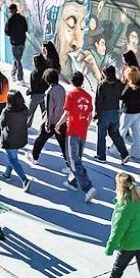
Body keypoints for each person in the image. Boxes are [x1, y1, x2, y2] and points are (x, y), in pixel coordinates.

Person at [57, 71, 97, 203]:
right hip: (83, 132)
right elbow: (90, 115)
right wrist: (85, 125)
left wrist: (58, 124)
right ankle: (72, 182)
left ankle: (88, 187)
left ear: (72, 82)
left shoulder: (72, 94)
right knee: (77, 158)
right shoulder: (88, 96)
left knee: (73, 161)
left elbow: (67, 114)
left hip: (73, 131)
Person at [30, 68, 69, 162]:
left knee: (40, 140)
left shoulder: (49, 92)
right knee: (63, 144)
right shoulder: (62, 89)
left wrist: (47, 124)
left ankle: (34, 157)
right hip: (61, 121)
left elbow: (49, 110)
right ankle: (69, 161)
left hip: (51, 122)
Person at [94, 65, 130, 163]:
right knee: (115, 134)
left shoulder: (102, 84)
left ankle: (101, 156)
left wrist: (96, 114)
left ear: (105, 73)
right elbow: (123, 90)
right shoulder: (118, 83)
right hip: (115, 113)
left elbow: (98, 101)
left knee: (101, 135)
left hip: (105, 113)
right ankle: (124, 154)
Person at [0, 91, 32, 191]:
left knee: (13, 160)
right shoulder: (25, 109)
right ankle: (7, 174)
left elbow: (2, 123)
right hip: (21, 137)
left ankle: (24, 180)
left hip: (10, 139)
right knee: (13, 157)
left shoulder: (7, 111)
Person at [120, 65, 140, 160]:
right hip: (138, 112)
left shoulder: (129, 88)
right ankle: (136, 153)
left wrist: (123, 84)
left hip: (129, 112)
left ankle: (116, 150)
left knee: (122, 131)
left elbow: (121, 96)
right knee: (136, 133)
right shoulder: (139, 85)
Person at [4, 3, 29, 83]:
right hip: (22, 42)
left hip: (15, 43)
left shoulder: (10, 20)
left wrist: (13, 33)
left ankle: (20, 78)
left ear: (11, 11)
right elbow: (26, 29)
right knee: (17, 59)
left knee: (18, 60)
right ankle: (13, 74)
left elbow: (6, 32)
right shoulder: (22, 18)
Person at [26, 53, 49, 128]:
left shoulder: (34, 73)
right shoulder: (47, 71)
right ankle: (45, 127)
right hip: (45, 95)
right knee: (45, 113)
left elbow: (33, 88)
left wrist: (28, 91)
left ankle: (27, 126)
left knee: (30, 112)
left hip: (35, 96)